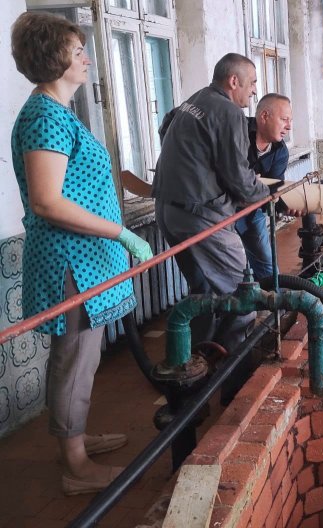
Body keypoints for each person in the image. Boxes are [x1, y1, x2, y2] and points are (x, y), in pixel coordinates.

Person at [10, 12, 153, 495]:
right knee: (73, 358)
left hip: (84, 260)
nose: (87, 58)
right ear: (55, 59)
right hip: (70, 261)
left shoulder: (57, 112)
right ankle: (74, 466)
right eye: (77, 51)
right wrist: (120, 233)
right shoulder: (44, 117)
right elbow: (47, 200)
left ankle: (76, 439)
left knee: (83, 359)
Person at [152, 53, 271, 352]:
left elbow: (164, 130)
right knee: (243, 294)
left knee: (202, 293)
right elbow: (239, 178)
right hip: (200, 214)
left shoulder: (195, 100)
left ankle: (194, 362)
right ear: (234, 81)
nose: (255, 90)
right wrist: (270, 198)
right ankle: (235, 373)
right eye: (252, 82)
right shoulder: (228, 112)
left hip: (168, 209)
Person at [235, 93, 295, 280]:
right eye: (284, 119)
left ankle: (273, 301)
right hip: (221, 207)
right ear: (264, 116)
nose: (289, 126)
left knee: (267, 266)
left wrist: (287, 206)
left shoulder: (280, 151)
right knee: (225, 268)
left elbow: (272, 191)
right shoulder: (236, 130)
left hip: (251, 209)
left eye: (290, 121)